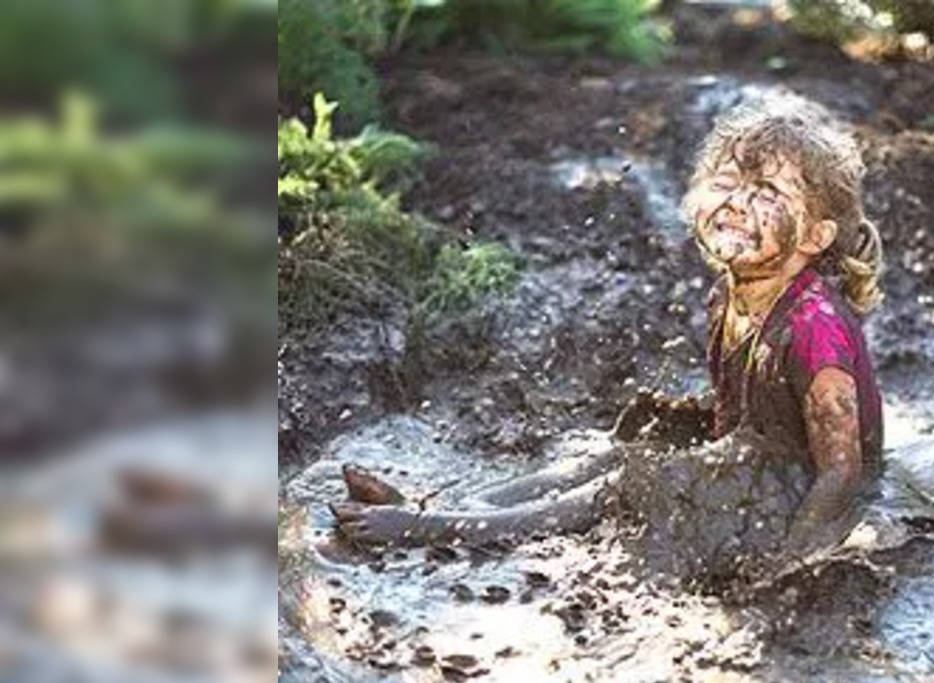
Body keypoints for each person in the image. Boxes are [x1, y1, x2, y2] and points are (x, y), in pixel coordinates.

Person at [332, 102, 884, 572]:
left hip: (804, 492)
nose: (737, 202)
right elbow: (735, 418)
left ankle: (434, 530)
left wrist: (790, 564)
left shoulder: (816, 327)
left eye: (765, 191)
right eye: (727, 183)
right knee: (614, 454)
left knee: (625, 485)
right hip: (757, 459)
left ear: (815, 235)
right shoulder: (729, 294)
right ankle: (438, 508)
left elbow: (841, 472)